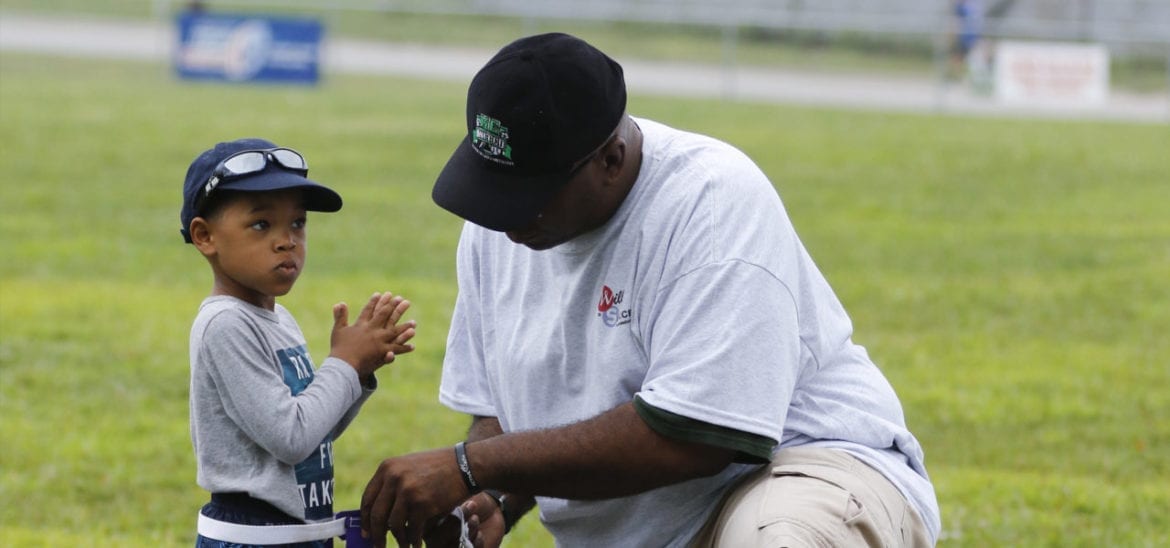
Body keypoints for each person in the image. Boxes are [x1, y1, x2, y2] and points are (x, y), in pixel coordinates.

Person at [359, 33, 940, 547]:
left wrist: (468, 465)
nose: (506, 220)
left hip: (803, 469)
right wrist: (496, 497)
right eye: (494, 190)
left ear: (611, 159)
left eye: (529, 194)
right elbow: (511, 414)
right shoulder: (501, 229)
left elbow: (696, 436)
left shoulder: (709, 203)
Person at [182, 138, 417, 547]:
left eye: (297, 223)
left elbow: (314, 431)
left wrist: (358, 372)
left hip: (297, 535)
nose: (286, 240)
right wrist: (343, 363)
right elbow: (291, 438)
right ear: (205, 237)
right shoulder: (225, 325)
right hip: (253, 538)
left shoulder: (278, 319)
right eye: (261, 224)